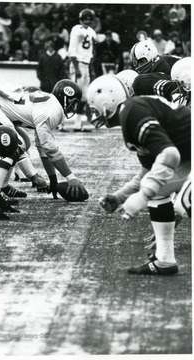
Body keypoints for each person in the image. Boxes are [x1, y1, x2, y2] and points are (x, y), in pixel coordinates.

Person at [86, 73, 190, 275]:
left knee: (185, 202)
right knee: (158, 188)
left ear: (106, 100)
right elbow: (150, 171)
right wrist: (120, 197)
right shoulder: (130, 115)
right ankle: (165, 260)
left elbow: (170, 155)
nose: (92, 113)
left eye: (92, 105)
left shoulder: (132, 112)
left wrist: (143, 196)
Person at [0, 79, 87, 199]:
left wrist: (53, 180)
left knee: (18, 144)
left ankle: (2, 187)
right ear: (66, 98)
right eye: (73, 102)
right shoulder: (53, 110)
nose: (74, 107)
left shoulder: (50, 104)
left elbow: (43, 149)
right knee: (12, 143)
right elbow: (50, 149)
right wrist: (70, 177)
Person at [68, 8, 96, 132]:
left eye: (89, 20)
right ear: (81, 19)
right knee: (73, 94)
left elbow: (91, 51)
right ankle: (60, 122)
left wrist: (91, 68)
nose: (87, 22)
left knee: (84, 96)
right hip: (78, 63)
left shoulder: (92, 32)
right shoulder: (76, 29)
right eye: (85, 19)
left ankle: (77, 124)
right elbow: (72, 49)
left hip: (86, 64)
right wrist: (76, 67)